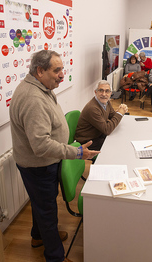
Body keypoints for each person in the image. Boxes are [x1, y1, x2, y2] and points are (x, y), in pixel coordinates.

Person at [9, 50, 99, 262]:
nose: (61, 74)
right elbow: (41, 145)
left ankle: (38, 236)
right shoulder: (33, 99)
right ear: (40, 71)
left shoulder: (41, 87)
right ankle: (55, 256)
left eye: (62, 69)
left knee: (41, 204)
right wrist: (77, 152)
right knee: (47, 210)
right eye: (56, 70)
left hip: (42, 163)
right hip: (38, 165)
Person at [75, 80, 128, 152]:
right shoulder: (92, 108)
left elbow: (112, 115)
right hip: (87, 141)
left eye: (107, 91)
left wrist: (121, 110)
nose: (104, 94)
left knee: (119, 138)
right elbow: (107, 130)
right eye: (101, 90)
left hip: (98, 134)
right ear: (95, 92)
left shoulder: (106, 102)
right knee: (115, 147)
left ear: (110, 93)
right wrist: (119, 113)